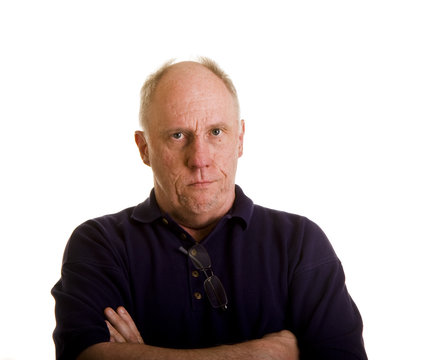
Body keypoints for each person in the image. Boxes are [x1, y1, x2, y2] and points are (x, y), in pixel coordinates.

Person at [51, 57, 367, 360]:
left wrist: (138, 354)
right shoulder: (99, 244)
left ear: (240, 139)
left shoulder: (299, 243)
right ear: (144, 148)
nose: (199, 159)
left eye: (216, 132)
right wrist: (260, 355)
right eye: (177, 136)